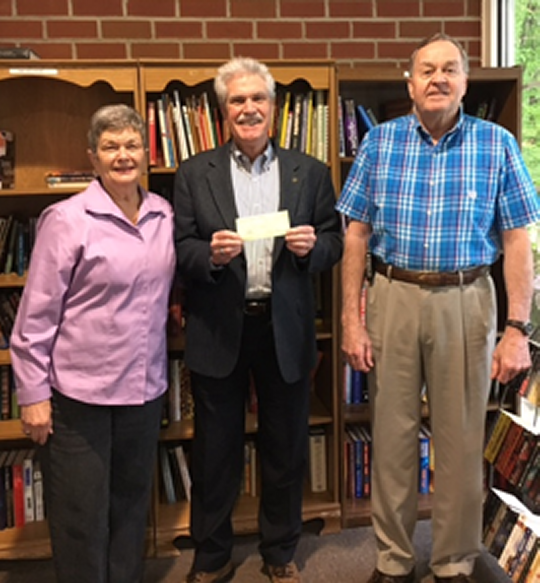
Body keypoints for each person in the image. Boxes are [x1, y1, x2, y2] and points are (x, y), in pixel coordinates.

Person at [336, 33, 540, 583]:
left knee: (461, 436)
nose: (438, 79)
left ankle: (453, 561)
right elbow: (355, 236)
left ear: (465, 82)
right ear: (410, 81)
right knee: (393, 435)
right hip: (393, 297)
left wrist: (517, 328)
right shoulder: (379, 143)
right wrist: (352, 321)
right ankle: (393, 560)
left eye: (450, 69)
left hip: (468, 299)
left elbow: (519, 239)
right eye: (427, 70)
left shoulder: (496, 145)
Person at [174, 57, 342, 583]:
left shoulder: (309, 171)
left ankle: (279, 550)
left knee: (285, 445)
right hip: (220, 327)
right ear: (224, 111)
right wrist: (211, 257)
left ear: (274, 107)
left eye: (258, 99)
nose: (249, 109)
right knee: (215, 449)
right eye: (237, 100)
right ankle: (212, 553)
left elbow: (335, 240)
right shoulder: (192, 174)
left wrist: (313, 248)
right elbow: (180, 248)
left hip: (283, 327)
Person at [10, 104, 176, 583]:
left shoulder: (163, 214)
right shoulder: (67, 219)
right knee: (81, 516)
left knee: (128, 510)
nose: (122, 156)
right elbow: (35, 317)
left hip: (144, 391)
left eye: (131, 145)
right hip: (78, 396)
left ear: (146, 152)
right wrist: (34, 397)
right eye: (110, 147)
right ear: (93, 156)